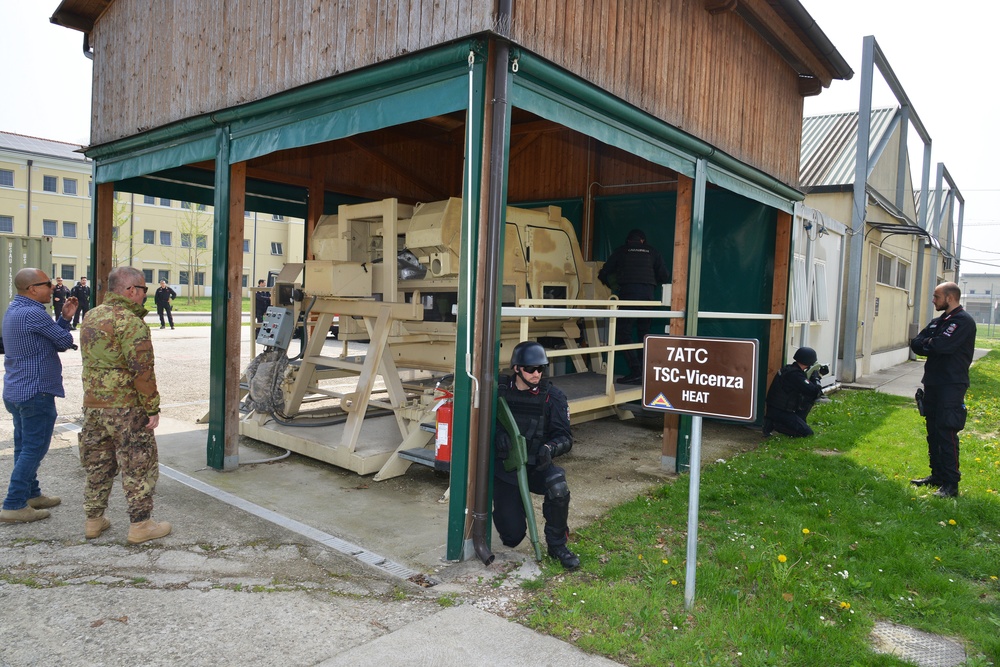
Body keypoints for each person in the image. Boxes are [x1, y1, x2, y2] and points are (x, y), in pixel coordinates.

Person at [78, 266, 171, 543]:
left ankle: (93, 521)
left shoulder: (91, 315)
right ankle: (140, 525)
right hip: (126, 408)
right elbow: (142, 370)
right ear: (131, 290)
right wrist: (152, 408)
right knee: (137, 464)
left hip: (94, 406)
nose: (145, 296)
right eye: (143, 290)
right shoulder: (130, 321)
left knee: (98, 463)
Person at [493, 341, 580, 569]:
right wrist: (497, 434)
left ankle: (557, 545)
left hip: (536, 465)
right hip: (507, 467)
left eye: (540, 369)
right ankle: (511, 509)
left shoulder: (553, 396)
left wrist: (550, 449)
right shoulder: (498, 390)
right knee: (511, 538)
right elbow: (477, 423)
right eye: (530, 369)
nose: (536, 374)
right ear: (516, 368)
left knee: (557, 486)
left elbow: (565, 437)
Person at [1, 268, 78, 523]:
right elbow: (64, 341)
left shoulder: (15, 309)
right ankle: (13, 504)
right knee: (34, 448)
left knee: (24, 445)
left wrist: (63, 317)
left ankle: (30, 494)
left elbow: (54, 341)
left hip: (17, 390)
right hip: (36, 392)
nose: (54, 288)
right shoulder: (33, 313)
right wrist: (66, 322)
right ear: (33, 289)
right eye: (48, 284)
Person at [909, 281, 976, 498]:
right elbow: (916, 343)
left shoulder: (962, 321)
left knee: (947, 430)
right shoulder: (940, 321)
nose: (933, 300)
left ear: (949, 298)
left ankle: (950, 483)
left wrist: (931, 343)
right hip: (933, 382)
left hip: (951, 384)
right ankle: (936, 475)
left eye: (936, 296)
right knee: (933, 430)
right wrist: (931, 342)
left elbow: (943, 346)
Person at [597, 228, 671, 384]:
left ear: (628, 241)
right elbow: (665, 275)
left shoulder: (621, 251)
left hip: (628, 297)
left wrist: (614, 285)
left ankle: (636, 371)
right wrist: (651, 282)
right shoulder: (653, 252)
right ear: (643, 241)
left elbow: (603, 273)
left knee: (624, 333)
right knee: (645, 334)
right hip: (647, 298)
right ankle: (645, 373)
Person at [761, 346, 825, 438]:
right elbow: (815, 392)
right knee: (807, 433)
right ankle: (776, 425)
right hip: (782, 412)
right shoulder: (795, 375)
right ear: (808, 362)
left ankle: (772, 422)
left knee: (807, 400)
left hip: (775, 409)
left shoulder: (788, 369)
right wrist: (817, 377)